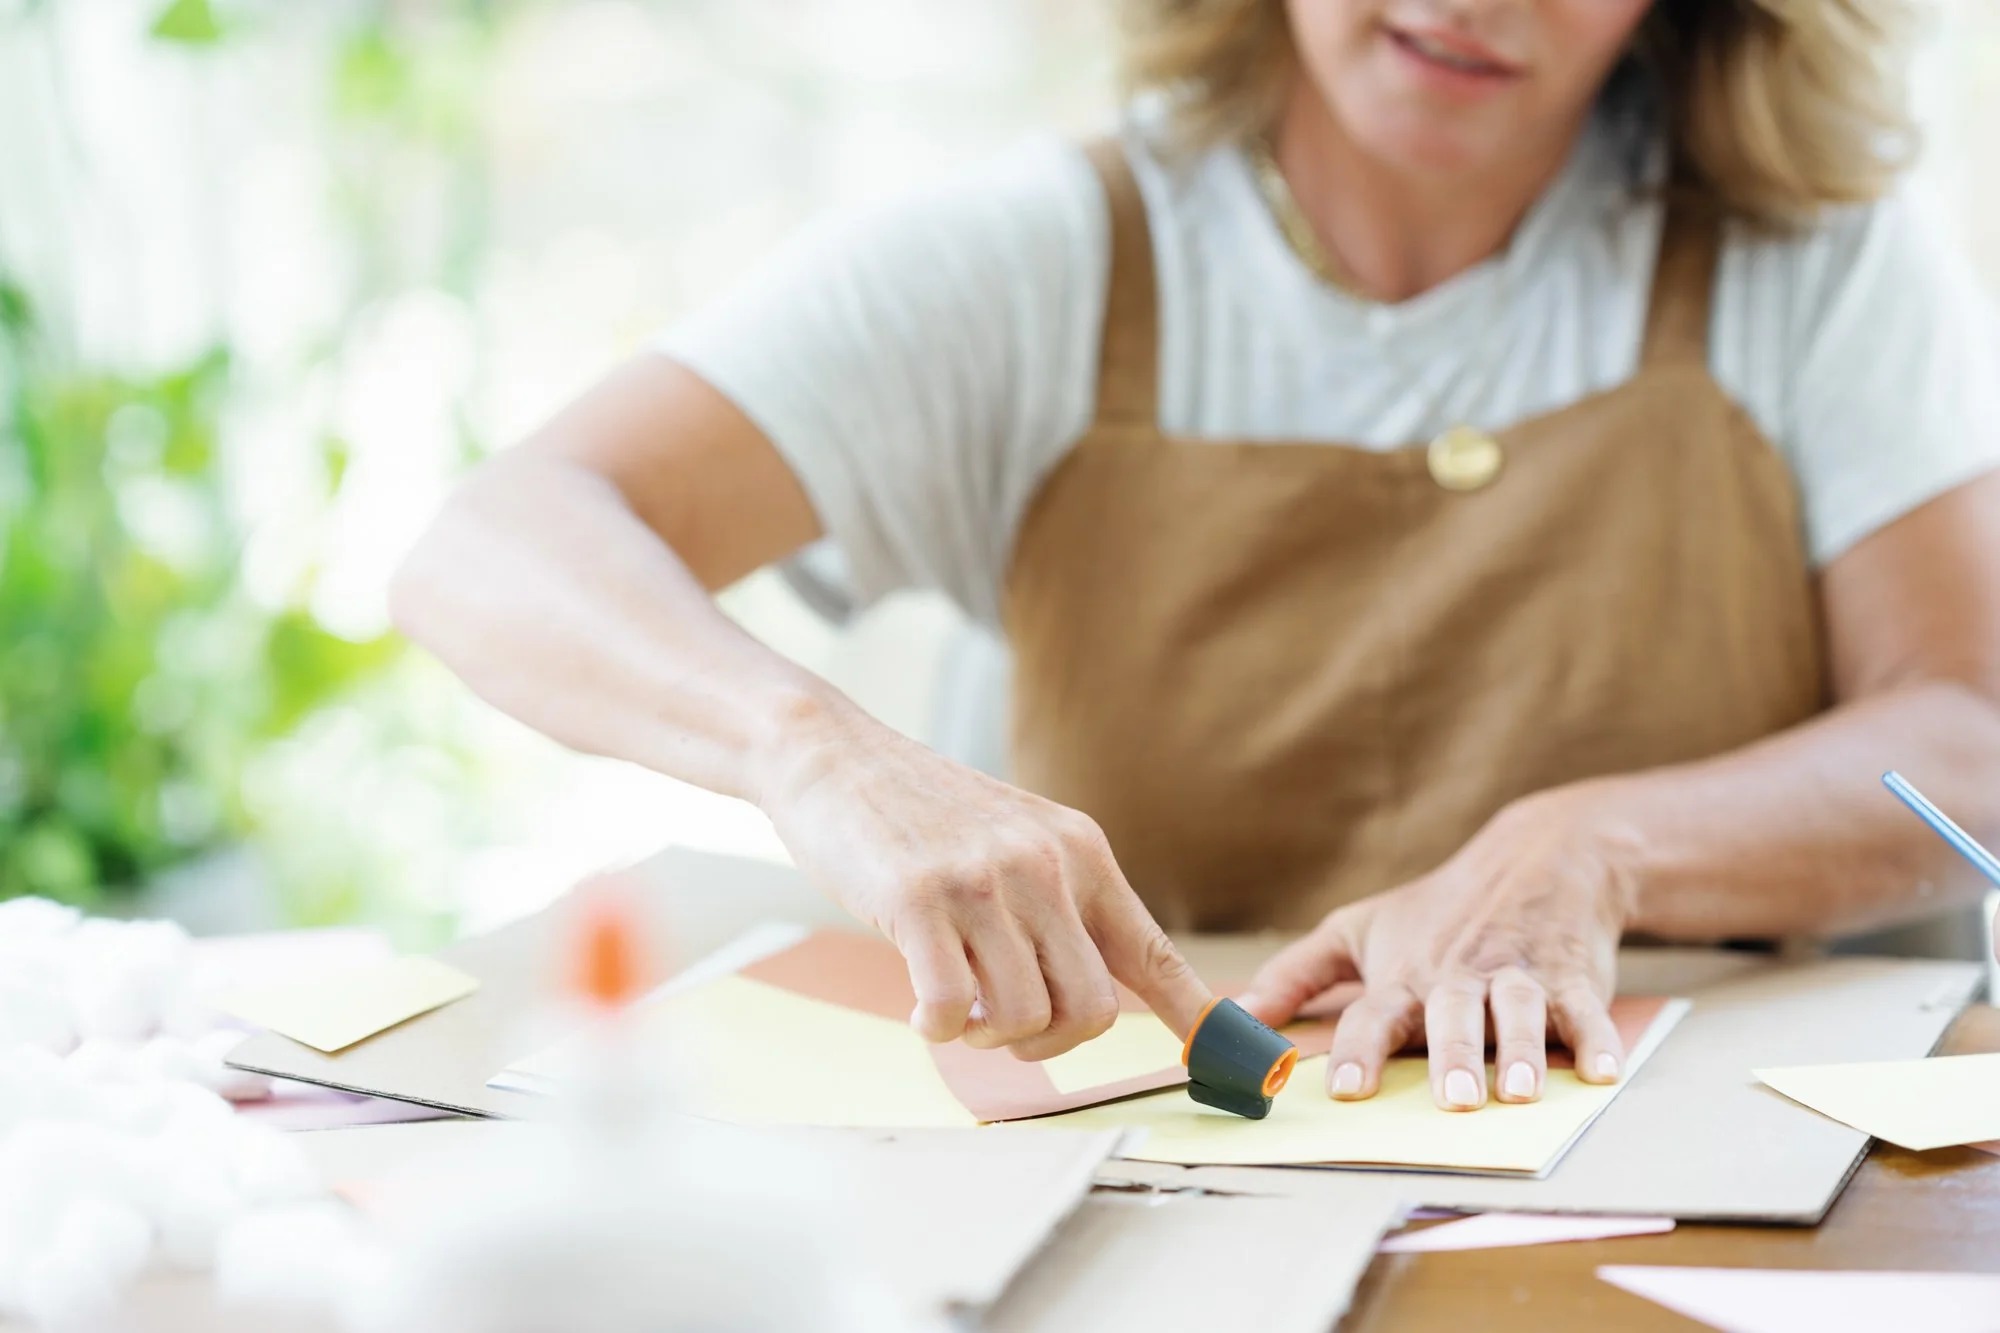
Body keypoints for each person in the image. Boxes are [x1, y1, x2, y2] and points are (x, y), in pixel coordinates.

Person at [391, 0, 2000, 1113]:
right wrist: (816, 752)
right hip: (1157, 1189)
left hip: (1694, 1170)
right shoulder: (1039, 257)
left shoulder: (1821, 264)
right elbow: (491, 539)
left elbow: (1968, 736)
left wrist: (1602, 843)